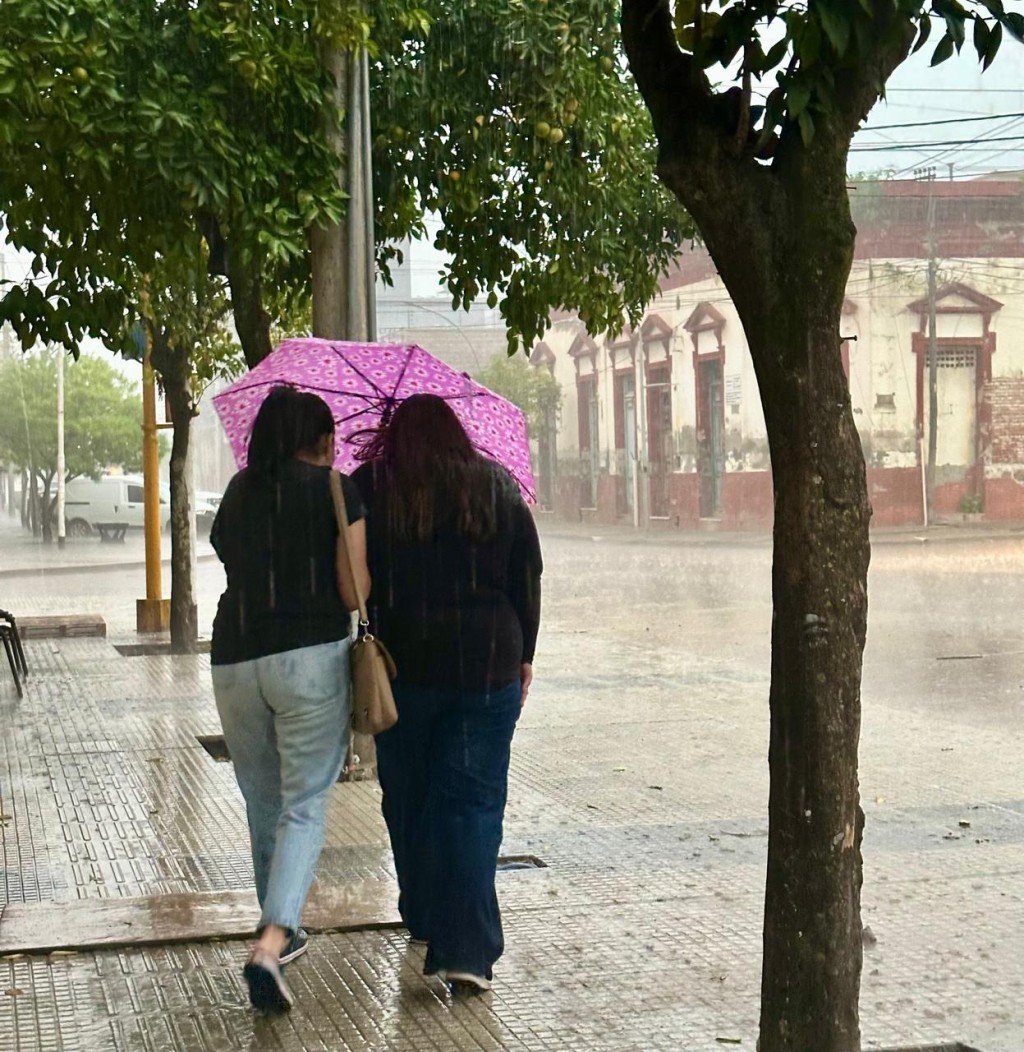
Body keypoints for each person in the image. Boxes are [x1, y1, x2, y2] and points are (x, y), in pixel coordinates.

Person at [352, 393, 542, 995]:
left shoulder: (373, 488)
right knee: (472, 802)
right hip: (488, 665)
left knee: (408, 795)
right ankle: (467, 952)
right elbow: (526, 576)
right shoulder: (496, 486)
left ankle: (428, 914)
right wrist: (527, 654)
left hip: (406, 668)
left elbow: (357, 578)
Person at [209, 386, 370, 1013]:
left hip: (235, 658)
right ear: (322, 439)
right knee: (304, 804)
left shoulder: (239, 491)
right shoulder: (337, 491)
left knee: (264, 799)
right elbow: (351, 590)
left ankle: (282, 927)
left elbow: (229, 554)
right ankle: (272, 941)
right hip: (310, 660)